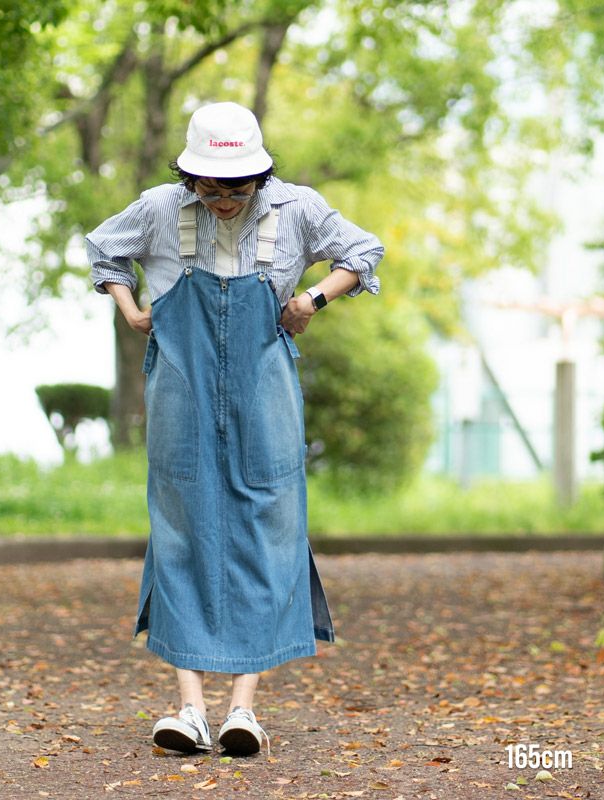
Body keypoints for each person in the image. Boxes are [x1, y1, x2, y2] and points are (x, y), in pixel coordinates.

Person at [85, 101, 384, 757]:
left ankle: (242, 710)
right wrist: (131, 310)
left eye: (238, 187)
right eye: (210, 187)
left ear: (260, 176)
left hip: (264, 395)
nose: (223, 199)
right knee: (180, 533)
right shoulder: (160, 209)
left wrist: (313, 299)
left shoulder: (296, 208)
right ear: (189, 176)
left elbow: (364, 250)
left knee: (269, 532)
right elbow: (104, 248)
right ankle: (190, 710)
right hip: (181, 394)